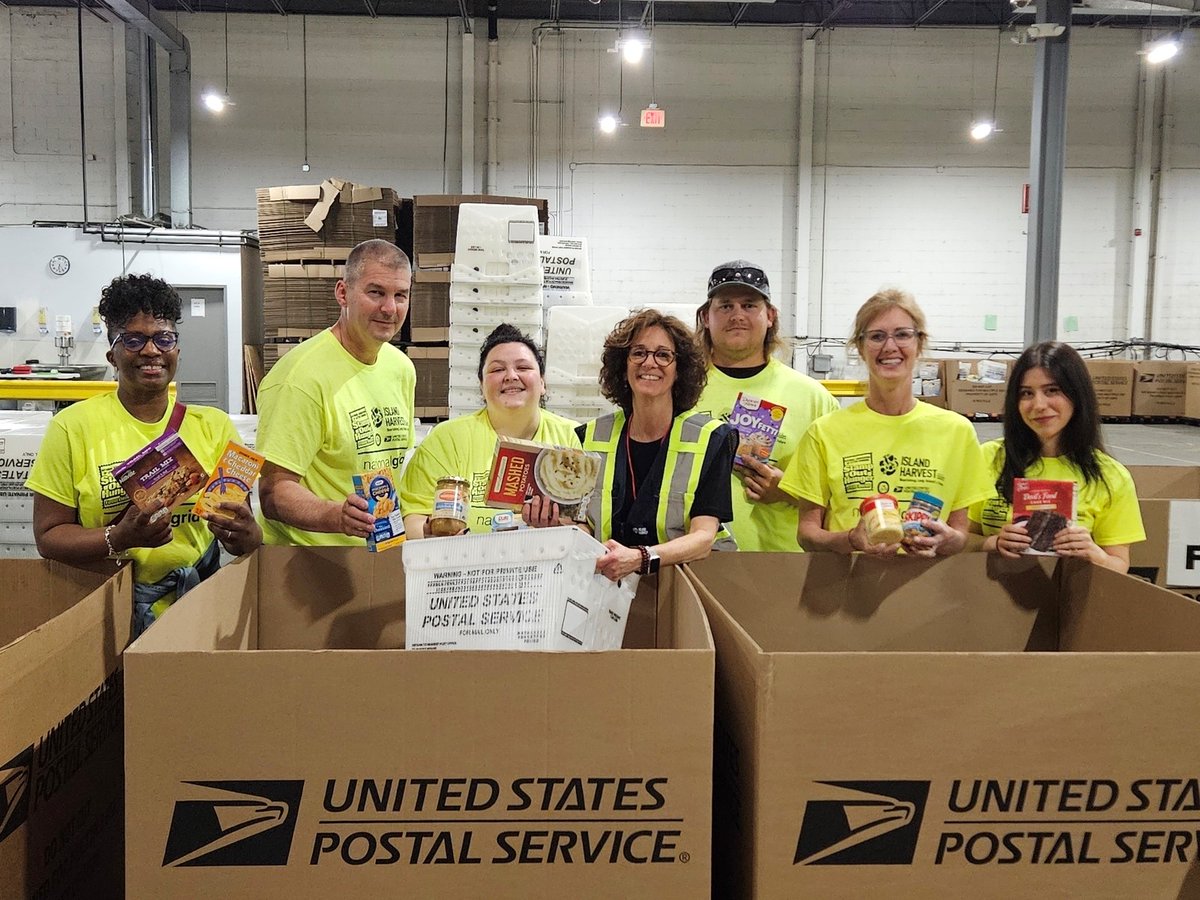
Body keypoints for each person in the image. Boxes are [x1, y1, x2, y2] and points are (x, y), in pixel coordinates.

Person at [27, 274, 261, 637]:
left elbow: (243, 536)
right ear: (113, 355)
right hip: (108, 613)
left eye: (163, 338)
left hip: (197, 610)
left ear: (177, 350)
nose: (151, 351)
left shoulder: (213, 427)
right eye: (134, 340)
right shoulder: (72, 428)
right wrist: (118, 538)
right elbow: (48, 537)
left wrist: (245, 533)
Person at [780, 288, 993, 556]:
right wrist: (852, 540)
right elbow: (807, 535)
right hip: (846, 588)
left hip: (929, 589)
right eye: (877, 336)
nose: (890, 347)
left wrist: (948, 540)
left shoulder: (957, 432)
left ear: (919, 342)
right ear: (860, 347)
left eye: (902, 334)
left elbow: (962, 532)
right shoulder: (824, 432)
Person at [257, 239, 416, 545]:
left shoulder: (401, 368)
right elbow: (274, 493)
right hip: (312, 563)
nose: (389, 308)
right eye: (376, 293)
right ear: (343, 293)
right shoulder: (300, 378)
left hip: (379, 553)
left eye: (401, 296)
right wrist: (336, 516)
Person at [579, 309, 737, 581]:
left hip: (686, 585)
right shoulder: (588, 436)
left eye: (663, 355)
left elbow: (703, 536)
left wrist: (640, 558)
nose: (649, 363)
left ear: (680, 370)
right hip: (606, 587)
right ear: (623, 365)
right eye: (638, 353)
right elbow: (581, 522)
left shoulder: (713, 438)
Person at [694, 259, 838, 552]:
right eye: (725, 306)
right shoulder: (682, 391)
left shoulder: (813, 397)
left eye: (749, 305)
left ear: (770, 315)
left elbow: (842, 491)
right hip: (695, 559)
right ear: (706, 317)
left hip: (782, 564)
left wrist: (789, 491)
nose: (737, 315)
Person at [969, 341, 1145, 571]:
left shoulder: (1111, 476)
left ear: (1077, 395)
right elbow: (961, 539)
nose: (1039, 405)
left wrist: (1094, 554)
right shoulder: (987, 458)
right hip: (988, 599)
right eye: (1026, 393)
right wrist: (993, 542)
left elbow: (1119, 565)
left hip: (1067, 600)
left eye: (1052, 390)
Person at [399, 323, 582, 536]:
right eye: (497, 369)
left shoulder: (574, 438)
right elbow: (412, 518)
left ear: (542, 382)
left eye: (523, 368)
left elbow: (590, 527)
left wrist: (559, 529)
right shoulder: (447, 439)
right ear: (481, 386)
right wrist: (434, 535)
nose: (511, 376)